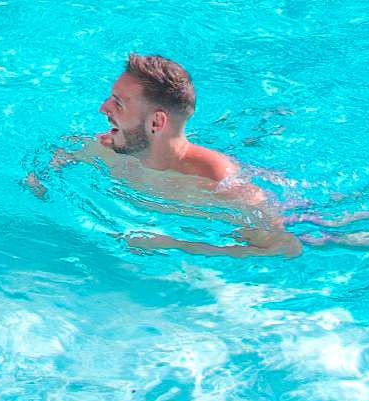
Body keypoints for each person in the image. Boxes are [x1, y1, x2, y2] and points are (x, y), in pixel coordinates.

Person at [90, 53, 299, 258]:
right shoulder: (111, 149)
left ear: (156, 123)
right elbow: (63, 156)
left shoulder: (220, 185)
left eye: (118, 104)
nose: (103, 108)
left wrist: (174, 244)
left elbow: (283, 248)